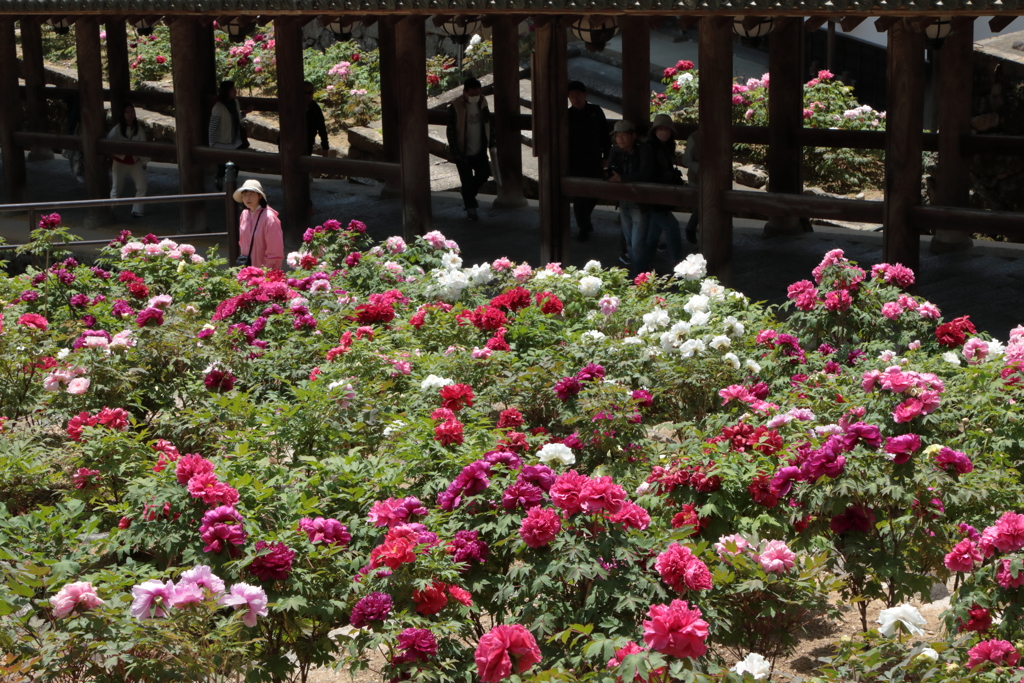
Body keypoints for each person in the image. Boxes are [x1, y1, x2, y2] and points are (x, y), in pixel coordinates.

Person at [633, 114, 685, 276]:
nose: (664, 132)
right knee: (671, 226)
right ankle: (678, 262)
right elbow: (648, 173)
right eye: (661, 128)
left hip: (661, 195)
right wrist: (668, 176)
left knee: (654, 232)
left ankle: (645, 266)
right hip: (653, 196)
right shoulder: (649, 147)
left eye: (667, 129)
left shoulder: (666, 146)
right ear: (654, 130)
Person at [446, 77, 494, 221]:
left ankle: (467, 195)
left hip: (479, 148)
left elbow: (488, 122)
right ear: (465, 93)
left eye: (477, 94)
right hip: (462, 151)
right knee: (466, 180)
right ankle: (471, 209)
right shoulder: (455, 107)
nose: (475, 97)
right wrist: (456, 152)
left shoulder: (482, 102)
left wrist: (491, 141)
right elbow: (451, 132)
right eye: (472, 94)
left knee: (484, 173)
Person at [567, 81, 610, 242]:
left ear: (585, 95)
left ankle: (585, 222)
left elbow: (605, 135)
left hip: (594, 159)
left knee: (595, 192)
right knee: (579, 197)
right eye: (571, 96)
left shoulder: (596, 111)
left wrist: (606, 155)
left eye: (578, 95)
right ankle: (583, 227)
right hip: (575, 160)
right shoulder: (568, 115)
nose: (575, 99)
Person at [607, 120, 643, 266]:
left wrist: (622, 178)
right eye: (617, 135)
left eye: (623, 135)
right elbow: (611, 170)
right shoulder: (616, 151)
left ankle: (641, 273)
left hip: (640, 201)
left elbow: (645, 174)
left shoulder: (643, 150)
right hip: (623, 199)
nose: (620, 139)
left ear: (633, 136)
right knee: (629, 241)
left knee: (637, 242)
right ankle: (636, 271)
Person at [106, 103, 149, 218]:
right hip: (120, 162)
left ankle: (137, 210)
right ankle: (110, 209)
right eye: (127, 112)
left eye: (132, 112)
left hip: (135, 162)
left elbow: (144, 146)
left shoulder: (138, 130)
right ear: (123, 114)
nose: (130, 114)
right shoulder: (117, 129)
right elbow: (109, 144)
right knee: (117, 188)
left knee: (142, 186)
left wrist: (144, 162)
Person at [233, 179, 284, 270]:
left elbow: (275, 251)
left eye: (251, 194)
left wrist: (267, 272)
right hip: (246, 267)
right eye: (244, 194)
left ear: (260, 196)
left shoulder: (269, 218)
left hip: (264, 270)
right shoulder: (244, 214)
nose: (247, 198)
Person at [209, 81, 250, 191]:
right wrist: (212, 145)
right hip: (223, 143)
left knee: (236, 166)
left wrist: (244, 113)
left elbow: (236, 118)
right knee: (222, 167)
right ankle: (219, 179)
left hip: (236, 141)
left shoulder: (235, 102)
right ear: (226, 91)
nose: (235, 91)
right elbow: (213, 127)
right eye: (232, 89)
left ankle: (232, 187)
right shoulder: (218, 108)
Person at [304, 81, 330, 215]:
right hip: (292, 146)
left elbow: (322, 128)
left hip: (307, 145)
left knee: (304, 178)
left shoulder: (314, 108)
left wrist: (325, 148)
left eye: (310, 93)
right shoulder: (293, 107)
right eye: (305, 93)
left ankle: (306, 204)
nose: (308, 96)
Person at [681, 130, 700, 245]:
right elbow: (686, 159)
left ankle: (691, 228)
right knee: (701, 205)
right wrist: (701, 168)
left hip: (714, 176)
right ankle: (691, 228)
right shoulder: (695, 137)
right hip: (696, 177)